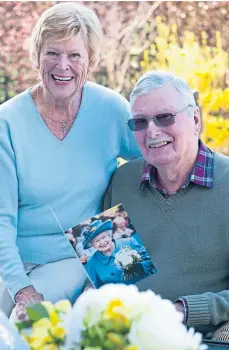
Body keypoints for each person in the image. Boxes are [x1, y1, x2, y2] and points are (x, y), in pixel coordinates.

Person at [0, 2, 140, 322]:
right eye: (52, 53)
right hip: (13, 260)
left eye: (75, 55)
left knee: (26, 327)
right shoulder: (7, 123)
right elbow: (1, 220)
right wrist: (21, 289)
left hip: (79, 255)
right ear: (37, 56)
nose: (63, 65)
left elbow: (161, 161)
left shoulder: (111, 110)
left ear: (90, 61)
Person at [103, 70, 229, 338]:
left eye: (165, 117)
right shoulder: (123, 180)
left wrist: (180, 311)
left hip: (202, 337)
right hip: (128, 336)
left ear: (195, 119)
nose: (152, 131)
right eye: (139, 122)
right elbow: (112, 272)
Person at [82, 219, 156, 288]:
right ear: (93, 245)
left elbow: (153, 261)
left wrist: (140, 266)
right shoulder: (92, 263)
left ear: (110, 235)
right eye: (97, 241)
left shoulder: (129, 242)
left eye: (103, 237)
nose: (102, 242)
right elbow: (98, 287)